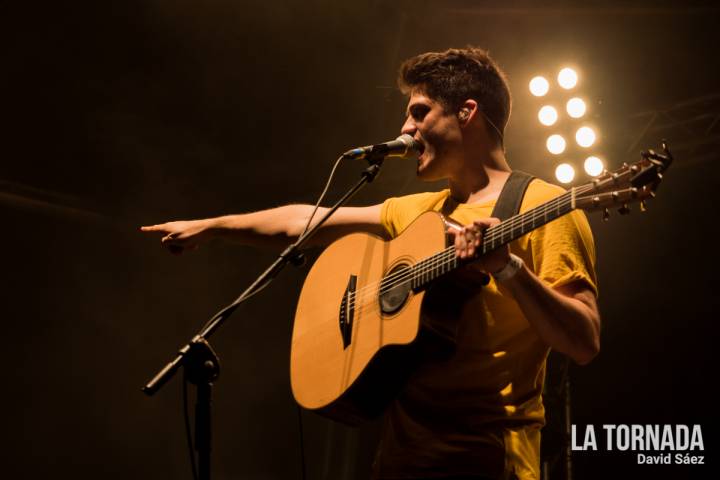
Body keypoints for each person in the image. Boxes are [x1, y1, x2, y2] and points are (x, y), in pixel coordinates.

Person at [141, 47, 600, 480]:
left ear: (467, 111)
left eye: (419, 111)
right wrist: (214, 225)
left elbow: (582, 339)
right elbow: (303, 221)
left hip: (488, 460)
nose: (405, 127)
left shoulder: (546, 205)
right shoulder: (416, 211)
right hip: (398, 461)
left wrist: (508, 268)